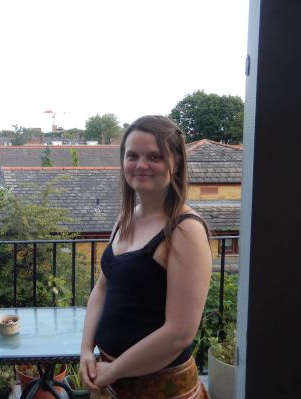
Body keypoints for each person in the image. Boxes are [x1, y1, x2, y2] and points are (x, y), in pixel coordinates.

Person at [79, 115, 212, 398]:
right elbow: (102, 288)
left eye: (154, 156)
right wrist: (86, 350)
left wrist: (113, 371)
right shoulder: (126, 218)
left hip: (160, 389)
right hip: (109, 379)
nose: (141, 165)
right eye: (132, 156)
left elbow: (179, 333)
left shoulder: (185, 230)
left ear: (175, 163)